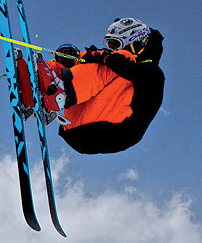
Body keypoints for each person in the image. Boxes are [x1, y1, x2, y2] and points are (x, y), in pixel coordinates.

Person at [22, 18, 164, 154]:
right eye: (111, 44)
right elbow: (95, 59)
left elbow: (130, 71)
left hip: (117, 131)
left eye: (116, 44)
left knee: (115, 62)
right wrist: (72, 59)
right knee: (83, 61)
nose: (113, 49)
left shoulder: (153, 73)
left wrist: (109, 59)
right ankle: (31, 81)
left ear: (137, 43)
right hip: (75, 128)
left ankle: (59, 92)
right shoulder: (115, 61)